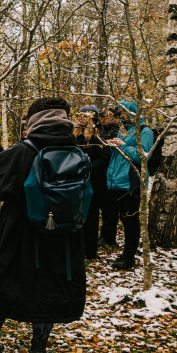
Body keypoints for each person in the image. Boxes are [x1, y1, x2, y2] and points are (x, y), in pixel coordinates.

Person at [0, 97, 85, 353]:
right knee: (51, 286)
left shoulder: (22, 151)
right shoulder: (76, 152)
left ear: (34, 121)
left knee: (6, 281)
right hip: (62, 235)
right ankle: (38, 350)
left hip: (20, 231)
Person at [105, 100, 154, 270]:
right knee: (124, 220)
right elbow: (121, 155)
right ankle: (126, 254)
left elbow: (143, 157)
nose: (121, 115)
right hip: (118, 181)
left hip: (132, 182)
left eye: (124, 111)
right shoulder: (123, 129)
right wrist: (114, 145)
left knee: (131, 221)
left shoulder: (145, 131)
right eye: (120, 112)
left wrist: (123, 145)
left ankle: (129, 258)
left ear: (133, 111)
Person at [74, 106, 111, 259]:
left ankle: (89, 250)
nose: (82, 119)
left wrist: (88, 168)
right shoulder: (76, 135)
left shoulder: (100, 135)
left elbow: (104, 158)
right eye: (80, 116)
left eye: (86, 116)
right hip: (77, 181)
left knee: (91, 216)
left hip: (94, 182)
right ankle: (78, 247)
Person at [95, 111, 122, 249]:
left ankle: (109, 236)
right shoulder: (98, 129)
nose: (103, 119)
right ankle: (104, 235)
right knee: (103, 207)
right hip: (101, 175)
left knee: (110, 209)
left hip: (111, 174)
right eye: (102, 117)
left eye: (106, 117)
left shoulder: (117, 131)